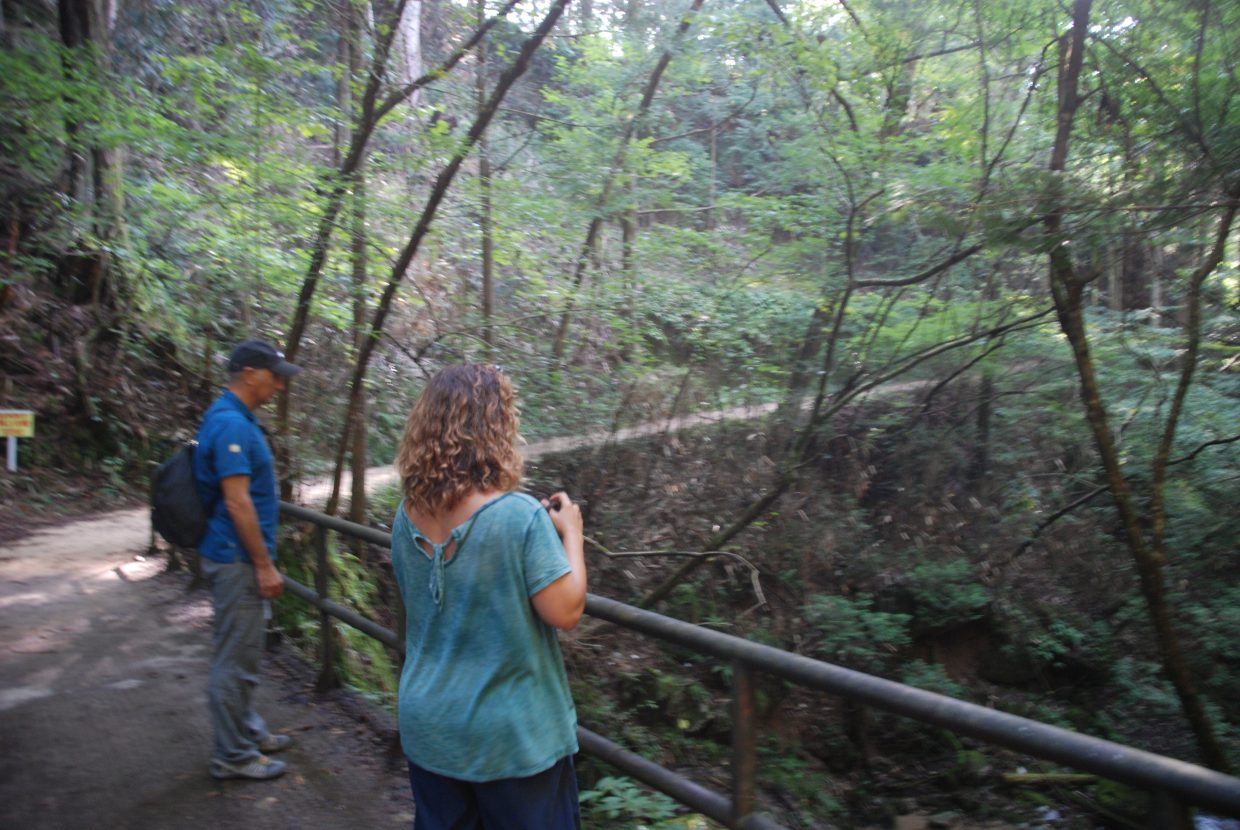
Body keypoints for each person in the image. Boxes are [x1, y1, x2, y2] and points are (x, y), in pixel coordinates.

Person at [391, 364, 587, 830]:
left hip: (431, 728)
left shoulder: (406, 516)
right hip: (510, 741)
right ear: (497, 426)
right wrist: (571, 535)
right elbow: (566, 610)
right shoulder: (517, 516)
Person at [194, 339, 301, 781]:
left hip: (235, 556)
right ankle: (232, 755)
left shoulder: (234, 418)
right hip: (237, 559)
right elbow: (238, 503)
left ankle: (248, 731)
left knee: (245, 652)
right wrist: (263, 564)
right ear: (250, 373)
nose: (279, 384)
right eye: (274, 375)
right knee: (235, 657)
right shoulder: (232, 426)